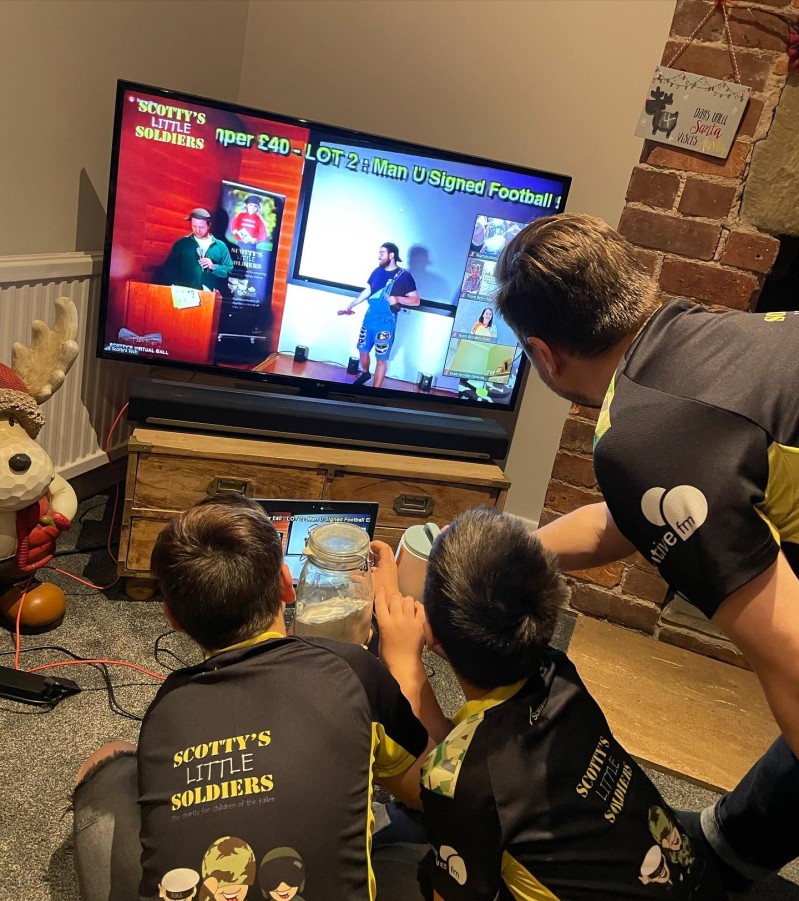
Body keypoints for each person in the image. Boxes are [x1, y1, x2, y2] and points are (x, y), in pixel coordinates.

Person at [491, 211, 799, 890]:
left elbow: (793, 661)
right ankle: (731, 845)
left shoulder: (638, 439)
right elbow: (647, 509)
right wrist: (516, 548)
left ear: (543, 354)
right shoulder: (691, 338)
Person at [71, 494, 432, 901]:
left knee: (107, 758)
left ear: (172, 618)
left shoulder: (167, 705)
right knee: (407, 833)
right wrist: (404, 661)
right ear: (286, 585)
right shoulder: (351, 670)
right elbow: (431, 792)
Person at [373, 506, 725, 899]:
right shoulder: (557, 672)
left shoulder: (465, 785)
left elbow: (452, 782)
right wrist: (394, 604)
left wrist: (402, 662)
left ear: (434, 635)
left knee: (390, 865)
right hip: (697, 884)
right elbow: (466, 754)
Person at [338, 242, 420, 388]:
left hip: (386, 323)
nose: (379, 256)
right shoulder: (377, 271)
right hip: (369, 318)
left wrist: (398, 299)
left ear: (391, 255)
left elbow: (416, 300)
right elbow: (368, 291)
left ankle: (375, 391)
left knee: (381, 359)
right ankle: (365, 373)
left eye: (382, 253)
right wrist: (350, 306)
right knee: (362, 350)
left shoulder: (404, 276)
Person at [161, 207, 233, 292]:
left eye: (201, 227)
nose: (197, 230)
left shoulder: (220, 246)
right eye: (194, 226)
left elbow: (228, 270)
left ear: (209, 225)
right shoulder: (182, 244)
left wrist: (213, 266)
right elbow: (169, 270)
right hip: (184, 294)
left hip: (209, 295)